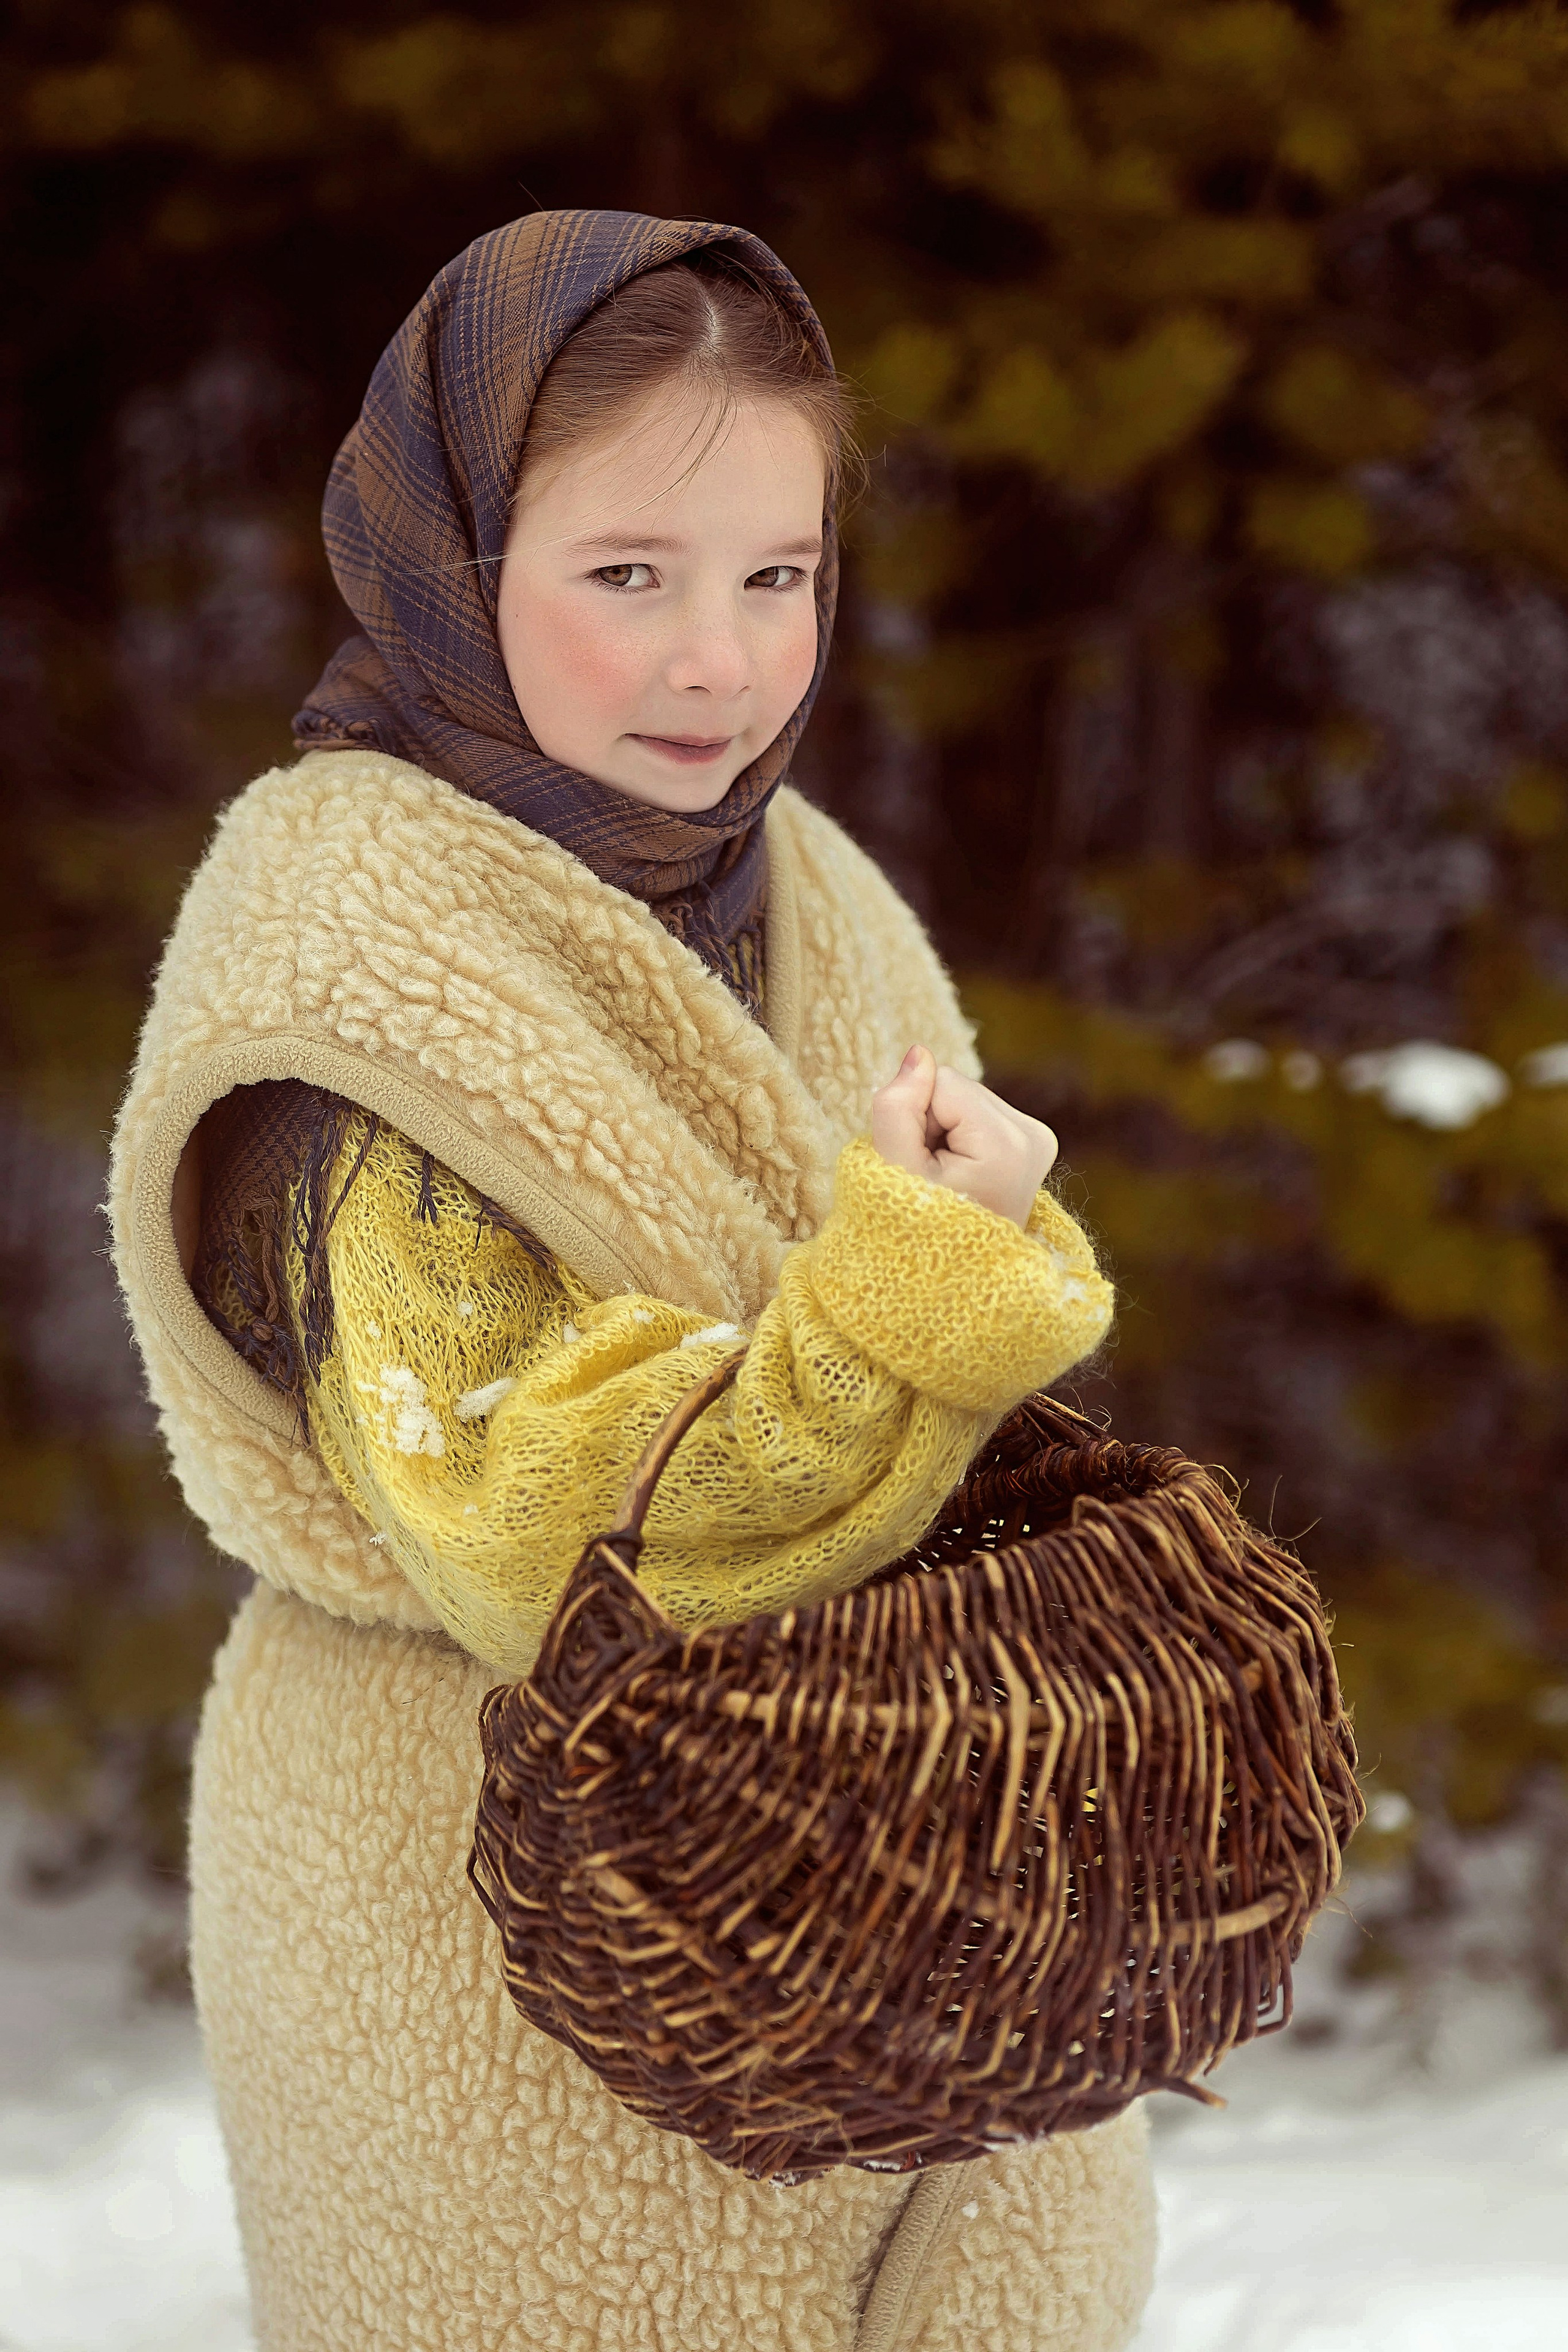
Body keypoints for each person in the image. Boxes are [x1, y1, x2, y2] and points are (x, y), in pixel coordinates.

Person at [109, 209, 1155, 2352]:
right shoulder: (357, 993)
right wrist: (924, 1285)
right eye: (629, 578)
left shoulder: (786, 876)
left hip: (901, 1887)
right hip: (508, 1938)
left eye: (777, 579)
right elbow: (547, 1528)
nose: (720, 662)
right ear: (451, 558)